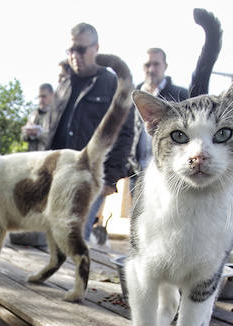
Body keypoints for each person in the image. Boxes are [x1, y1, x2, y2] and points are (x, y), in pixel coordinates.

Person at [44, 23, 134, 240]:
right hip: (57, 176)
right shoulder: (63, 84)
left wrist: (110, 180)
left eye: (81, 49)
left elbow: (126, 134)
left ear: (96, 48)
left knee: (73, 238)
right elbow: (51, 131)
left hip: (90, 179)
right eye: (71, 50)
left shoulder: (113, 84)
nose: (75, 56)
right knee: (49, 236)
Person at [128, 48, 189, 191]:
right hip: (138, 173)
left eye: (156, 64)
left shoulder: (181, 96)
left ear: (165, 66)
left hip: (169, 175)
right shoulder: (131, 97)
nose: (151, 69)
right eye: (147, 65)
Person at [21, 83, 54, 152]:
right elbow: (23, 137)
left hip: (48, 157)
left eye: (44, 96)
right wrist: (28, 132)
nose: (41, 100)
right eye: (39, 97)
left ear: (52, 95)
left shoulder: (56, 115)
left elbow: (55, 139)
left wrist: (38, 134)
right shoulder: (33, 115)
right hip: (32, 156)